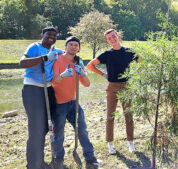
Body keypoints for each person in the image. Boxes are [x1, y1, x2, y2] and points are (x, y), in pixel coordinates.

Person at [87, 29, 141, 154]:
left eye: (113, 36)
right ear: (107, 40)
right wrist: (103, 75)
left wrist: (134, 75)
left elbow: (142, 62)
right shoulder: (107, 54)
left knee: (128, 115)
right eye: (109, 38)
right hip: (111, 87)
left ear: (117, 35)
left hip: (126, 87)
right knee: (110, 116)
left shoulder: (128, 51)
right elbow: (90, 65)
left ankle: (130, 143)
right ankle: (110, 144)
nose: (112, 39)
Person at [51, 36, 102, 168]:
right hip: (59, 104)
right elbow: (54, 81)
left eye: (76, 45)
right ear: (65, 47)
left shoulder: (79, 62)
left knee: (82, 130)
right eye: (71, 44)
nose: (73, 47)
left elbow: (87, 84)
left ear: (79, 48)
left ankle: (89, 157)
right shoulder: (58, 60)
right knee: (59, 133)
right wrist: (63, 75)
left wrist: (83, 74)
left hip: (74, 102)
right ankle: (59, 159)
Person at [19, 27, 63, 169]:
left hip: (48, 89)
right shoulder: (34, 46)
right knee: (36, 128)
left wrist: (78, 60)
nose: (51, 37)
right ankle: (34, 164)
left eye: (54, 35)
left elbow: (69, 52)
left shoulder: (55, 50)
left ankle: (40, 160)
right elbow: (22, 63)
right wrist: (44, 58)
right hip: (33, 89)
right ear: (42, 35)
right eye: (48, 34)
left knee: (46, 126)